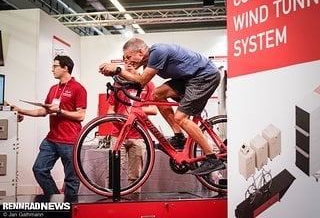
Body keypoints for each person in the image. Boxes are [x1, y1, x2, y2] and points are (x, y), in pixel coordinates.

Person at [99, 37, 224, 176]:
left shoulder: (158, 52)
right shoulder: (148, 64)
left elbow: (141, 81)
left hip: (204, 76)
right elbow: (138, 83)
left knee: (181, 118)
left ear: (141, 52)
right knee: (156, 95)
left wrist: (117, 70)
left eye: (128, 57)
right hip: (188, 79)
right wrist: (115, 77)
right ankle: (179, 137)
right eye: (124, 58)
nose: (127, 61)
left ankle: (212, 158)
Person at [12, 55, 87, 195]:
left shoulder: (78, 88)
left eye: (55, 66)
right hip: (51, 139)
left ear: (65, 68)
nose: (52, 69)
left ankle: (69, 210)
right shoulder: (53, 88)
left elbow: (81, 115)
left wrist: (59, 110)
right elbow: (43, 111)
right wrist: (20, 110)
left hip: (70, 141)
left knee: (71, 179)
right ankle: (56, 200)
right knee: (39, 169)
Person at [106, 57, 157, 188]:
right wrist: (117, 117)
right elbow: (110, 110)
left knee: (135, 176)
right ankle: (108, 201)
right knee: (112, 174)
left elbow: (153, 109)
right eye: (126, 61)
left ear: (139, 64)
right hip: (118, 134)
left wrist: (135, 111)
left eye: (132, 62)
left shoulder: (148, 84)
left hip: (139, 136)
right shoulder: (118, 85)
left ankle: (133, 205)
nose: (129, 64)